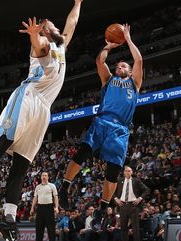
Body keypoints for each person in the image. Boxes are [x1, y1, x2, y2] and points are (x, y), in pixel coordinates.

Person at [0, 1, 83, 241]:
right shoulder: (44, 46)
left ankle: (8, 219)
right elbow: (38, 46)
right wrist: (34, 35)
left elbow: (72, 22)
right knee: (0, 147)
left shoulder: (61, 45)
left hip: (43, 111)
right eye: (49, 24)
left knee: (21, 166)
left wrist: (78, 3)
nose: (53, 24)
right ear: (46, 31)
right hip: (28, 98)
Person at [59, 24, 144, 222]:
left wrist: (128, 39)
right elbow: (99, 61)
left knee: (113, 171)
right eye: (118, 66)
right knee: (83, 152)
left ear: (130, 72)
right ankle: (64, 187)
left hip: (121, 129)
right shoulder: (108, 80)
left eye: (124, 66)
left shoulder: (135, 83)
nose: (119, 67)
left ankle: (102, 209)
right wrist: (108, 47)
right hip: (102, 121)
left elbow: (138, 59)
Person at [114, 166, 150, 241]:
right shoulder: (119, 180)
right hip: (122, 205)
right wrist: (116, 199)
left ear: (132, 172)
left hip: (134, 206)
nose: (128, 172)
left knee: (135, 228)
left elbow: (147, 190)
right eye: (126, 171)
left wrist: (139, 198)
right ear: (124, 172)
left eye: (129, 171)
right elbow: (112, 190)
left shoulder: (136, 181)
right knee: (123, 227)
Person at [30, 172, 59, 241]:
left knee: (51, 229)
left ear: (48, 177)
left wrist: (56, 207)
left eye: (46, 175)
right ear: (41, 177)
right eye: (43, 175)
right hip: (40, 208)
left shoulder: (52, 186)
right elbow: (35, 198)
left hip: (49, 207)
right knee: (39, 229)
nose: (44, 177)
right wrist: (32, 208)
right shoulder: (38, 187)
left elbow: (56, 197)